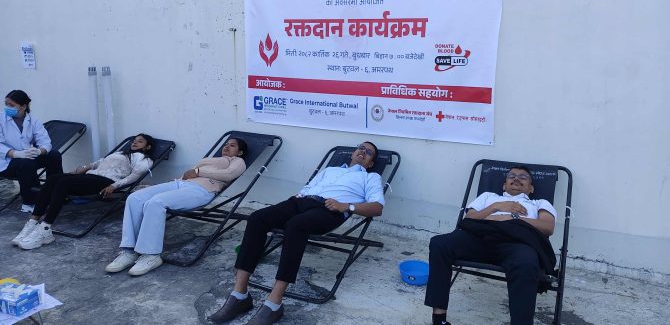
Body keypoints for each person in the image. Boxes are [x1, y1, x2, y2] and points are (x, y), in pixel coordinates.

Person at [209, 141, 384, 325]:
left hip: (331, 209)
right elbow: (309, 188)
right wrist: (297, 199)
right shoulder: (330, 170)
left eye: (369, 152)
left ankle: (274, 303)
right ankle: (239, 295)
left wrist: (346, 206)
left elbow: (377, 207)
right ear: (353, 153)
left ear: (371, 163)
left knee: (296, 225)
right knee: (256, 218)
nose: (363, 152)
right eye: (360, 148)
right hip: (301, 202)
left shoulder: (370, 177)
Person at [424, 166, 558, 325]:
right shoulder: (488, 197)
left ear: (531, 188)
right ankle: (439, 320)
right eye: (512, 176)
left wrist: (513, 219)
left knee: (527, 263)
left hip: (516, 244)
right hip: (480, 238)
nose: (516, 178)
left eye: (523, 177)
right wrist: (496, 207)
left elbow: (547, 227)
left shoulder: (539, 203)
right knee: (439, 244)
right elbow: (469, 218)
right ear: (504, 185)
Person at [105, 137, 248, 276]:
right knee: (134, 198)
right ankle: (129, 251)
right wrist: (186, 177)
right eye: (226, 144)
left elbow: (229, 174)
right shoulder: (214, 159)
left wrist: (198, 172)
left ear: (240, 152)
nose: (226, 146)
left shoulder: (238, 161)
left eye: (232, 145)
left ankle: (151, 255)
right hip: (180, 183)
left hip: (201, 190)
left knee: (156, 202)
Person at [11, 133, 155, 250]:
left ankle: (45, 227)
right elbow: (100, 162)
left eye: (140, 141)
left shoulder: (144, 159)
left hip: (105, 182)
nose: (135, 142)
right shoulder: (121, 153)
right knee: (54, 178)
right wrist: (85, 167)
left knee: (63, 183)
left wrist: (115, 186)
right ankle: (33, 221)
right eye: (134, 140)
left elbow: (134, 176)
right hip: (91, 176)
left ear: (148, 147)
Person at [0, 90, 63, 213]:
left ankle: (55, 193)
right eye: (6, 104)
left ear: (23, 106)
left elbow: (45, 142)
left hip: (26, 157)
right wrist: (15, 154)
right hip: (6, 161)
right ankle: (30, 202)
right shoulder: (1, 119)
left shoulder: (33, 120)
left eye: (11, 105)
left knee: (54, 155)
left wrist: (39, 151)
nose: (7, 107)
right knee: (26, 163)